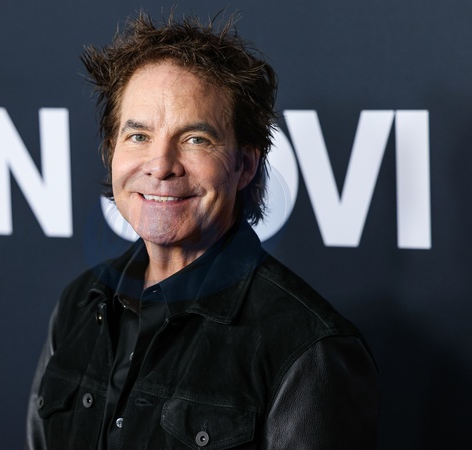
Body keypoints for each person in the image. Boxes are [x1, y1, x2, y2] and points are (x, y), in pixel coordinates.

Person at [26, 11, 378, 450]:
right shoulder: (78, 305)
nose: (161, 166)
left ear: (244, 165)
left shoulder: (307, 348)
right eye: (138, 136)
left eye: (195, 139)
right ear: (111, 151)